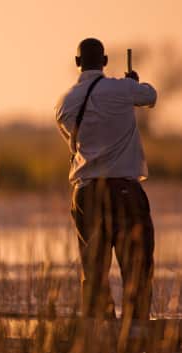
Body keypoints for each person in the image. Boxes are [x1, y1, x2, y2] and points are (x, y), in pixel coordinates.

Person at [55, 38, 157, 321]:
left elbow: (73, 145)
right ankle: (135, 333)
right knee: (137, 266)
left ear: (77, 64)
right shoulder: (122, 88)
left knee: (94, 269)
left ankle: (99, 331)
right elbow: (150, 96)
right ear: (105, 61)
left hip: (86, 193)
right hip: (125, 191)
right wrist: (133, 84)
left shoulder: (64, 103)